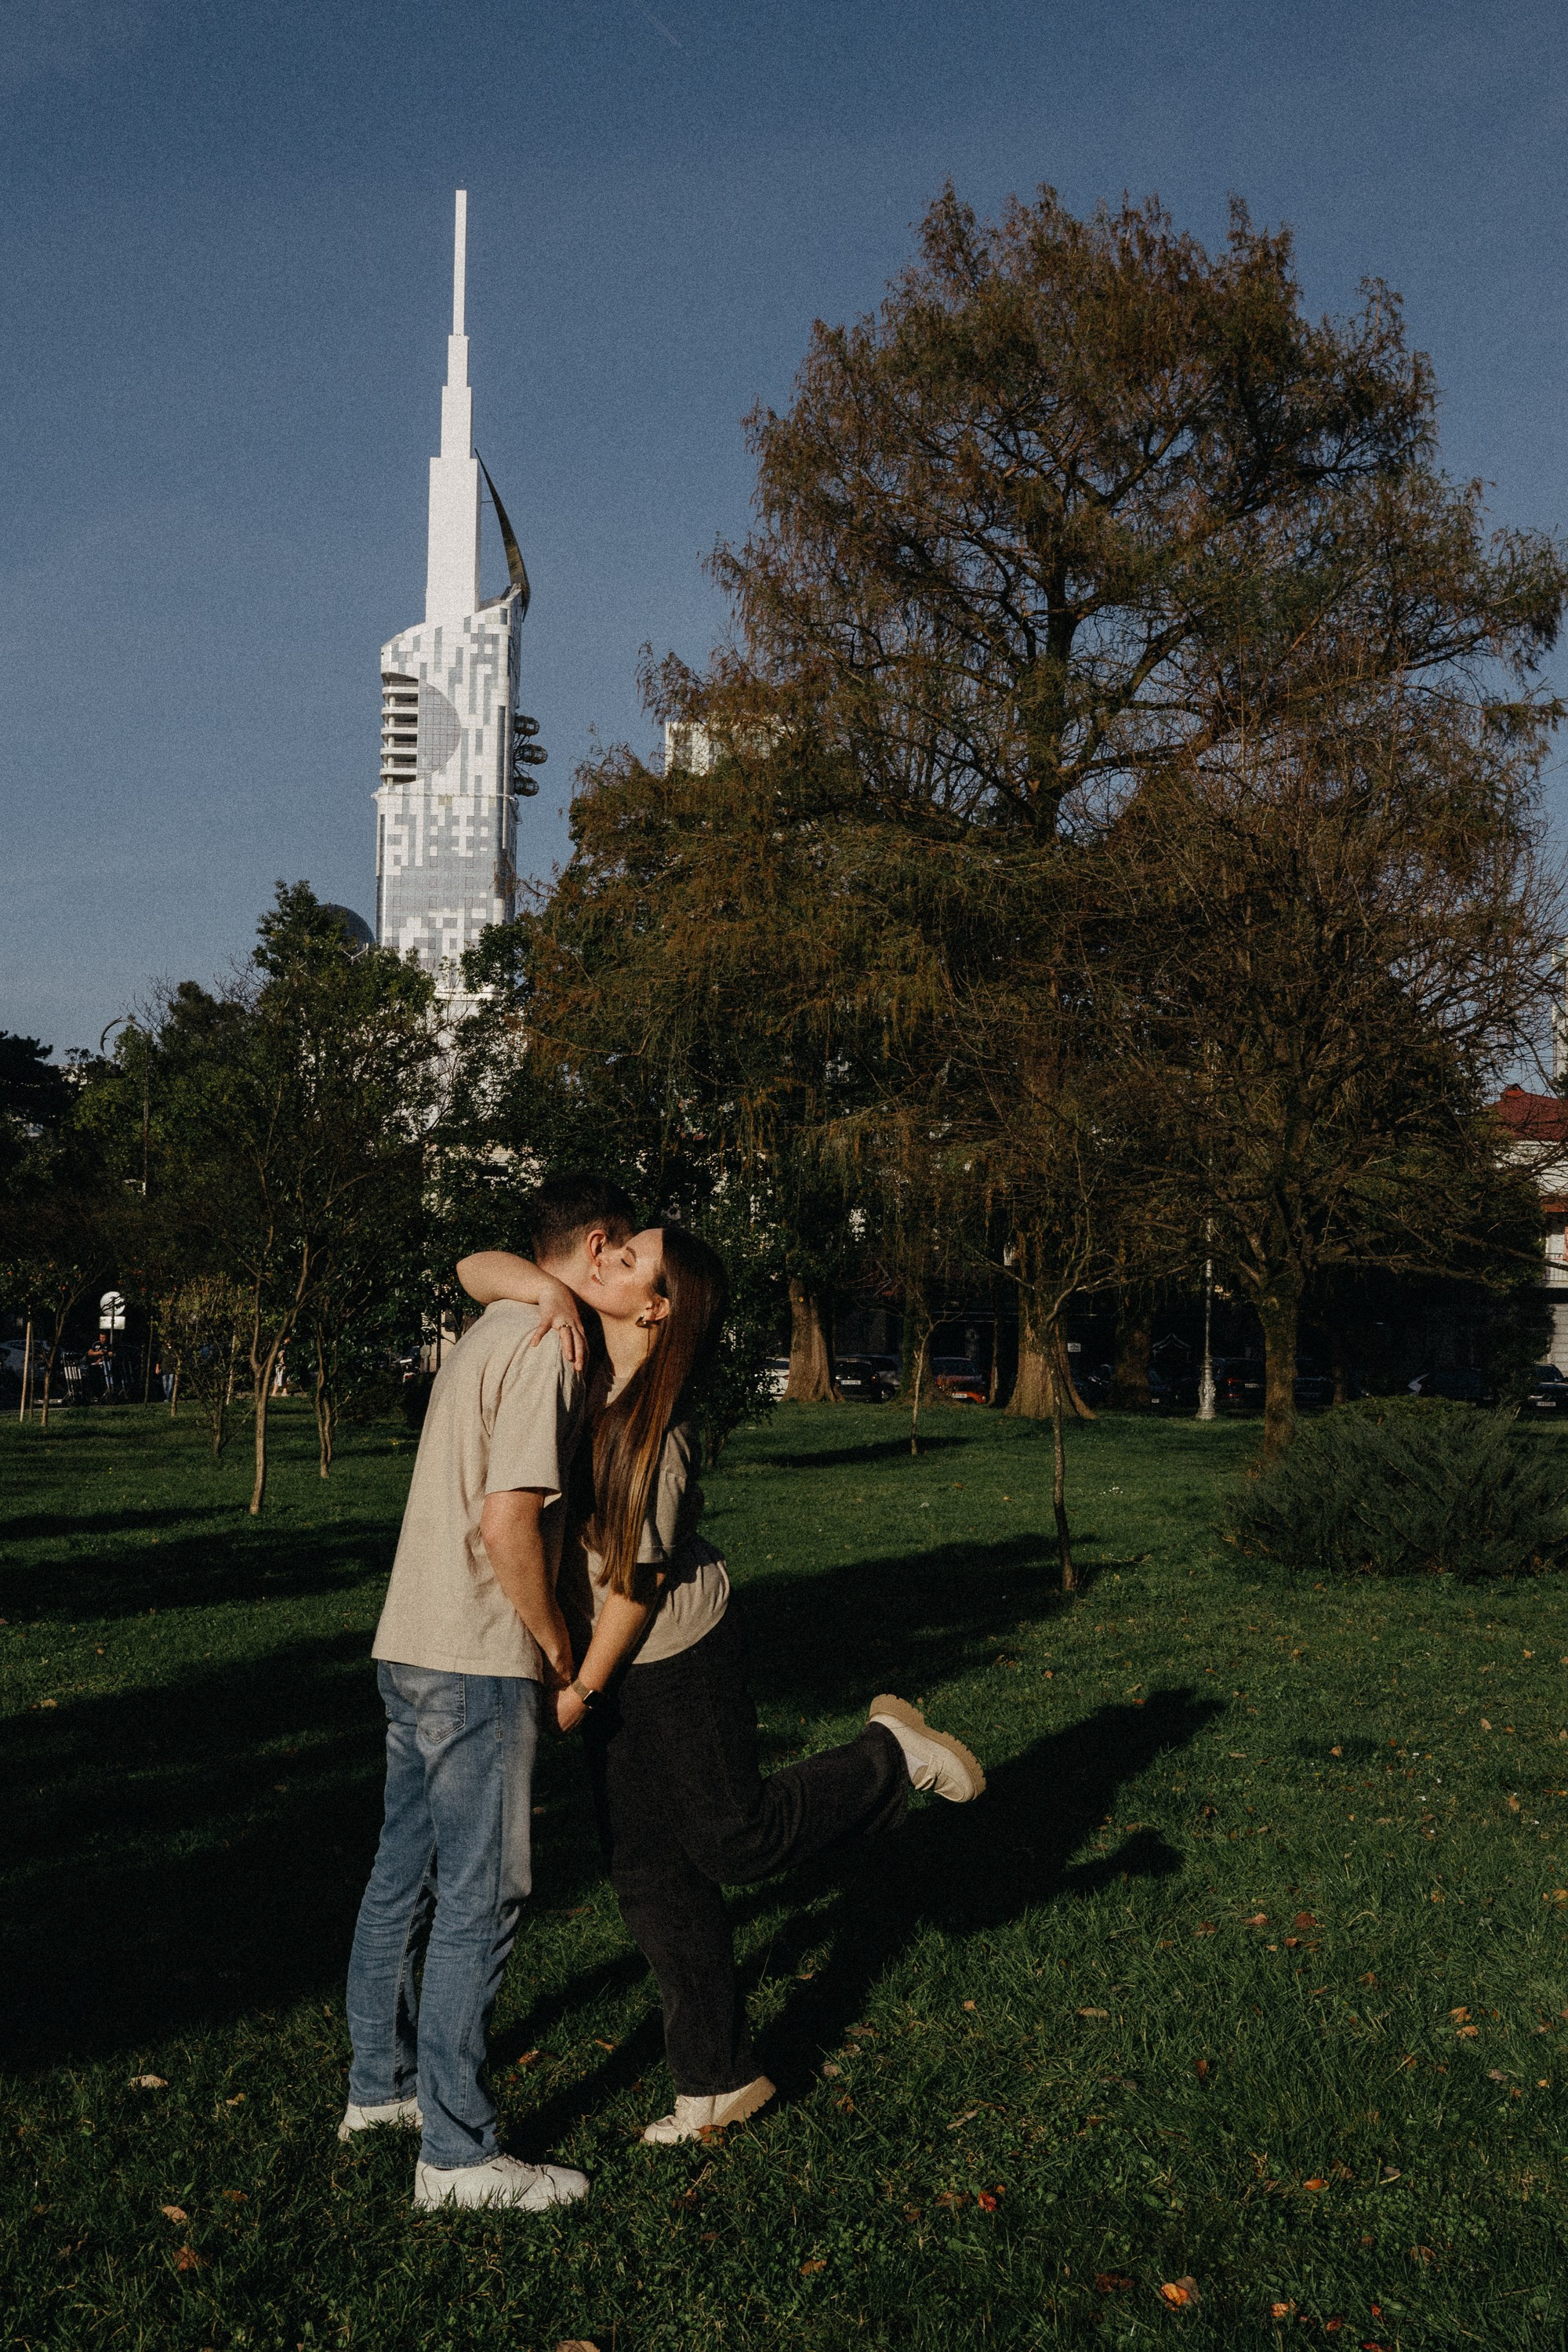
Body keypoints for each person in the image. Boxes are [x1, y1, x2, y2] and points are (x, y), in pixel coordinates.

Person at [457, 1224, 985, 2147]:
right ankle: (719, 2078)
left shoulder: (655, 1430)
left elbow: (634, 1586)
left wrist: (579, 1685)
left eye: (631, 1259)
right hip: (613, 1656)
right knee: (649, 1874)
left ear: (657, 1308)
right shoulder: (578, 1341)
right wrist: (545, 1293)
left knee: (733, 1839)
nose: (608, 1257)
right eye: (612, 1247)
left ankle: (886, 1757)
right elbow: (473, 1267)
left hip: (674, 1650)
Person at [342, 1171, 636, 2213]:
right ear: (595, 1246)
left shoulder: (496, 1317)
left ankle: (380, 2090)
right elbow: (510, 1523)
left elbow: (474, 1265)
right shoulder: (548, 1346)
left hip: (409, 1641)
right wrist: (561, 1648)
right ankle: (459, 2159)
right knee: (485, 1894)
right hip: (475, 1655)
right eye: (630, 1253)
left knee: (404, 1868)